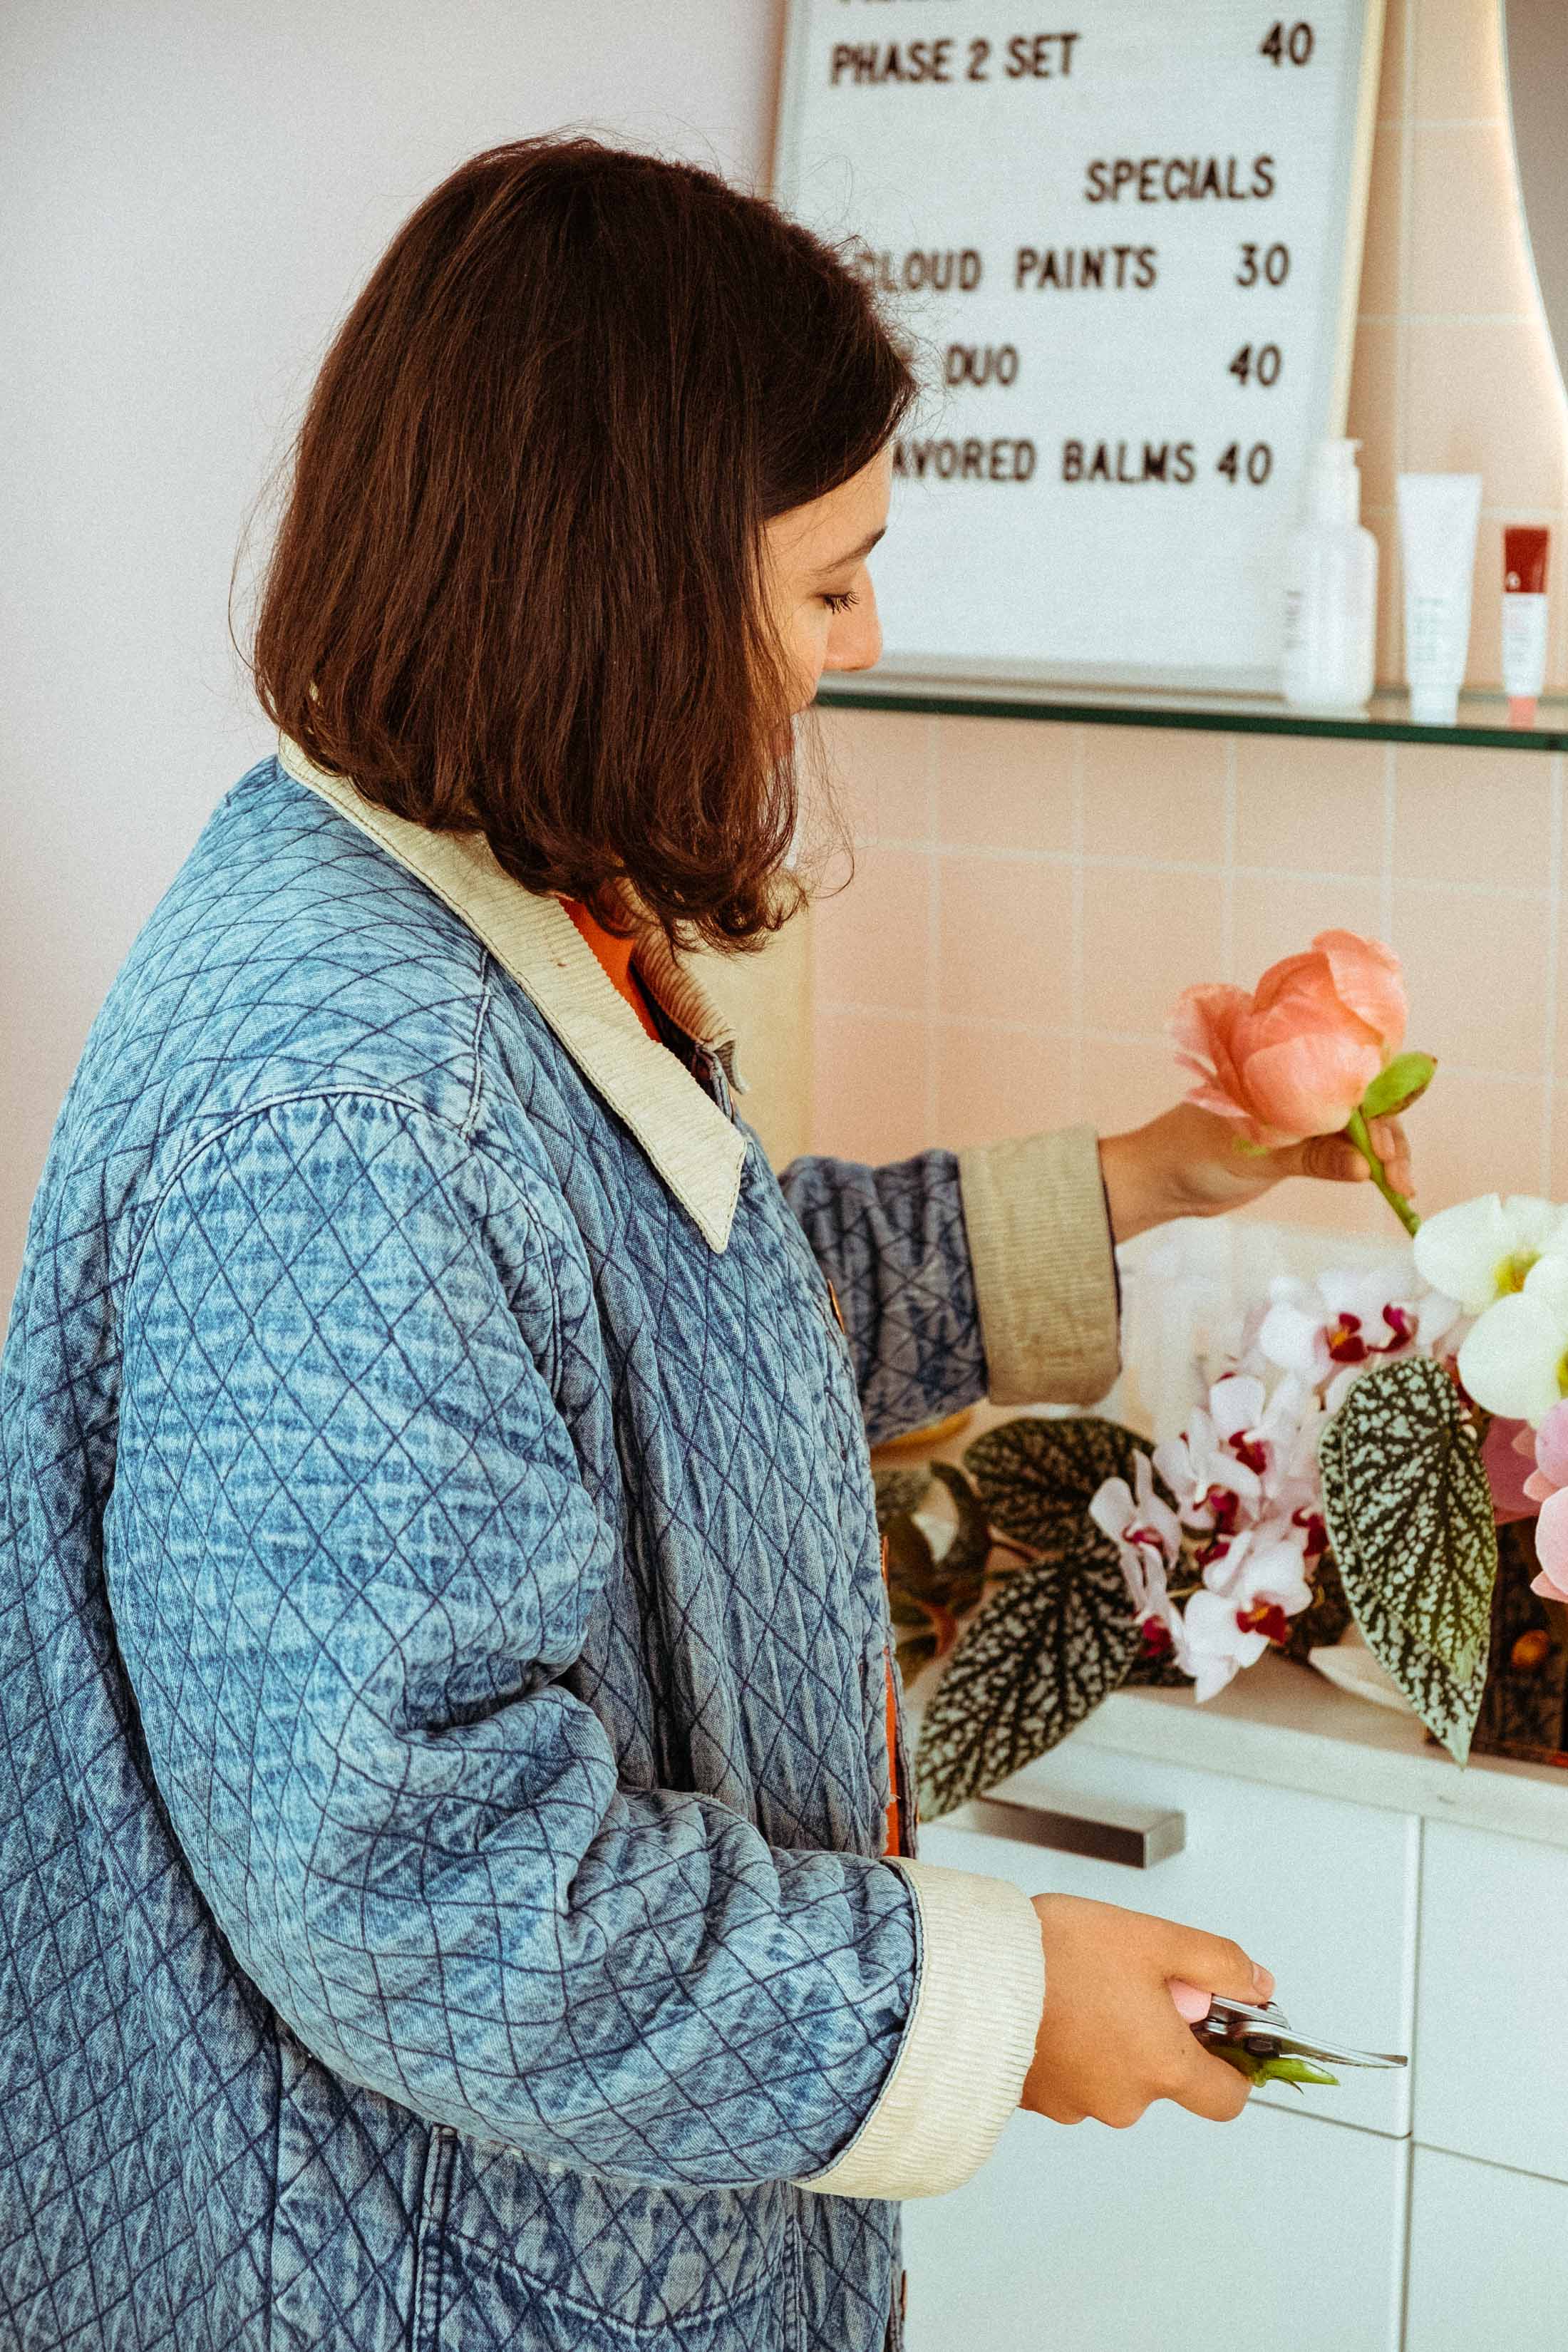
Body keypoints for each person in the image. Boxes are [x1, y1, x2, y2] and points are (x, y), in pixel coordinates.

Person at [0, 136, 1414, 2352]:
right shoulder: (355, 1119)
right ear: (625, 585)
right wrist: (997, 1999)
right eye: (832, 580)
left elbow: (694, 1315)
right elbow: (433, 1884)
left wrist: (1145, 1175)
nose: (866, 640)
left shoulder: (483, 910)